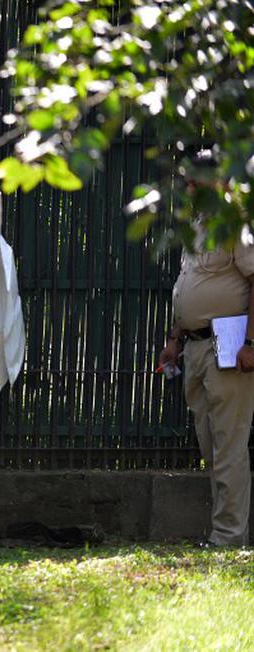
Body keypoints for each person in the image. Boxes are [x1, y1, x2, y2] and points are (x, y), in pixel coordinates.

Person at [157, 149, 254, 547]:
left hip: (229, 343)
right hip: (194, 346)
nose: (190, 186)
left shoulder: (237, 221)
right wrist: (173, 339)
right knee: (210, 445)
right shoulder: (196, 224)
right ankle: (225, 531)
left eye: (197, 179)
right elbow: (188, 286)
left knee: (229, 445)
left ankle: (228, 538)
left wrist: (250, 342)